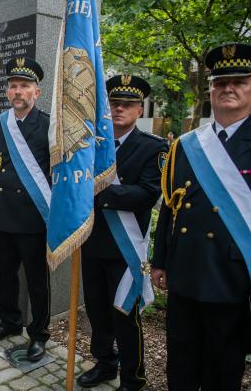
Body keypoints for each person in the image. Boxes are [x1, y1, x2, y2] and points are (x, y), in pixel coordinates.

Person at [151, 42, 251, 390]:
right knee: (181, 357)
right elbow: (170, 205)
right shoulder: (185, 145)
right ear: (210, 90)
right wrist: (160, 261)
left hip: (233, 276)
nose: (228, 88)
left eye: (239, 81)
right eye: (220, 82)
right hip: (186, 271)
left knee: (223, 364)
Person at [78, 75, 168, 390]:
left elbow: (146, 194)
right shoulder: (92, 145)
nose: (119, 109)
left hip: (125, 249)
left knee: (124, 315)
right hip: (91, 242)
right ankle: (105, 363)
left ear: (139, 109)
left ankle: (133, 377)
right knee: (97, 311)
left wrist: (98, 191)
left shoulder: (153, 147)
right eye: (114, 103)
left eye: (127, 105)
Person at [0, 57, 51, 362]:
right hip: (4, 213)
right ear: (7, 92)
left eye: (25, 86)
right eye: (13, 86)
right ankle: (10, 322)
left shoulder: (49, 125)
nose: (18, 91)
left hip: (34, 217)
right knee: (5, 274)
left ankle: (39, 334)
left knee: (37, 280)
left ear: (36, 92)